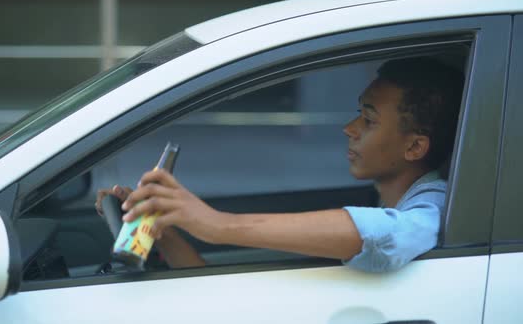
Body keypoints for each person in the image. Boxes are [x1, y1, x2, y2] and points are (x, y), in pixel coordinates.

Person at [95, 56, 464, 272]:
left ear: (415, 146)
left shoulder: (437, 207)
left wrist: (216, 224)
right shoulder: (392, 202)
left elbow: (390, 235)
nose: (349, 128)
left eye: (368, 120)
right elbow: (218, 301)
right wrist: (168, 229)